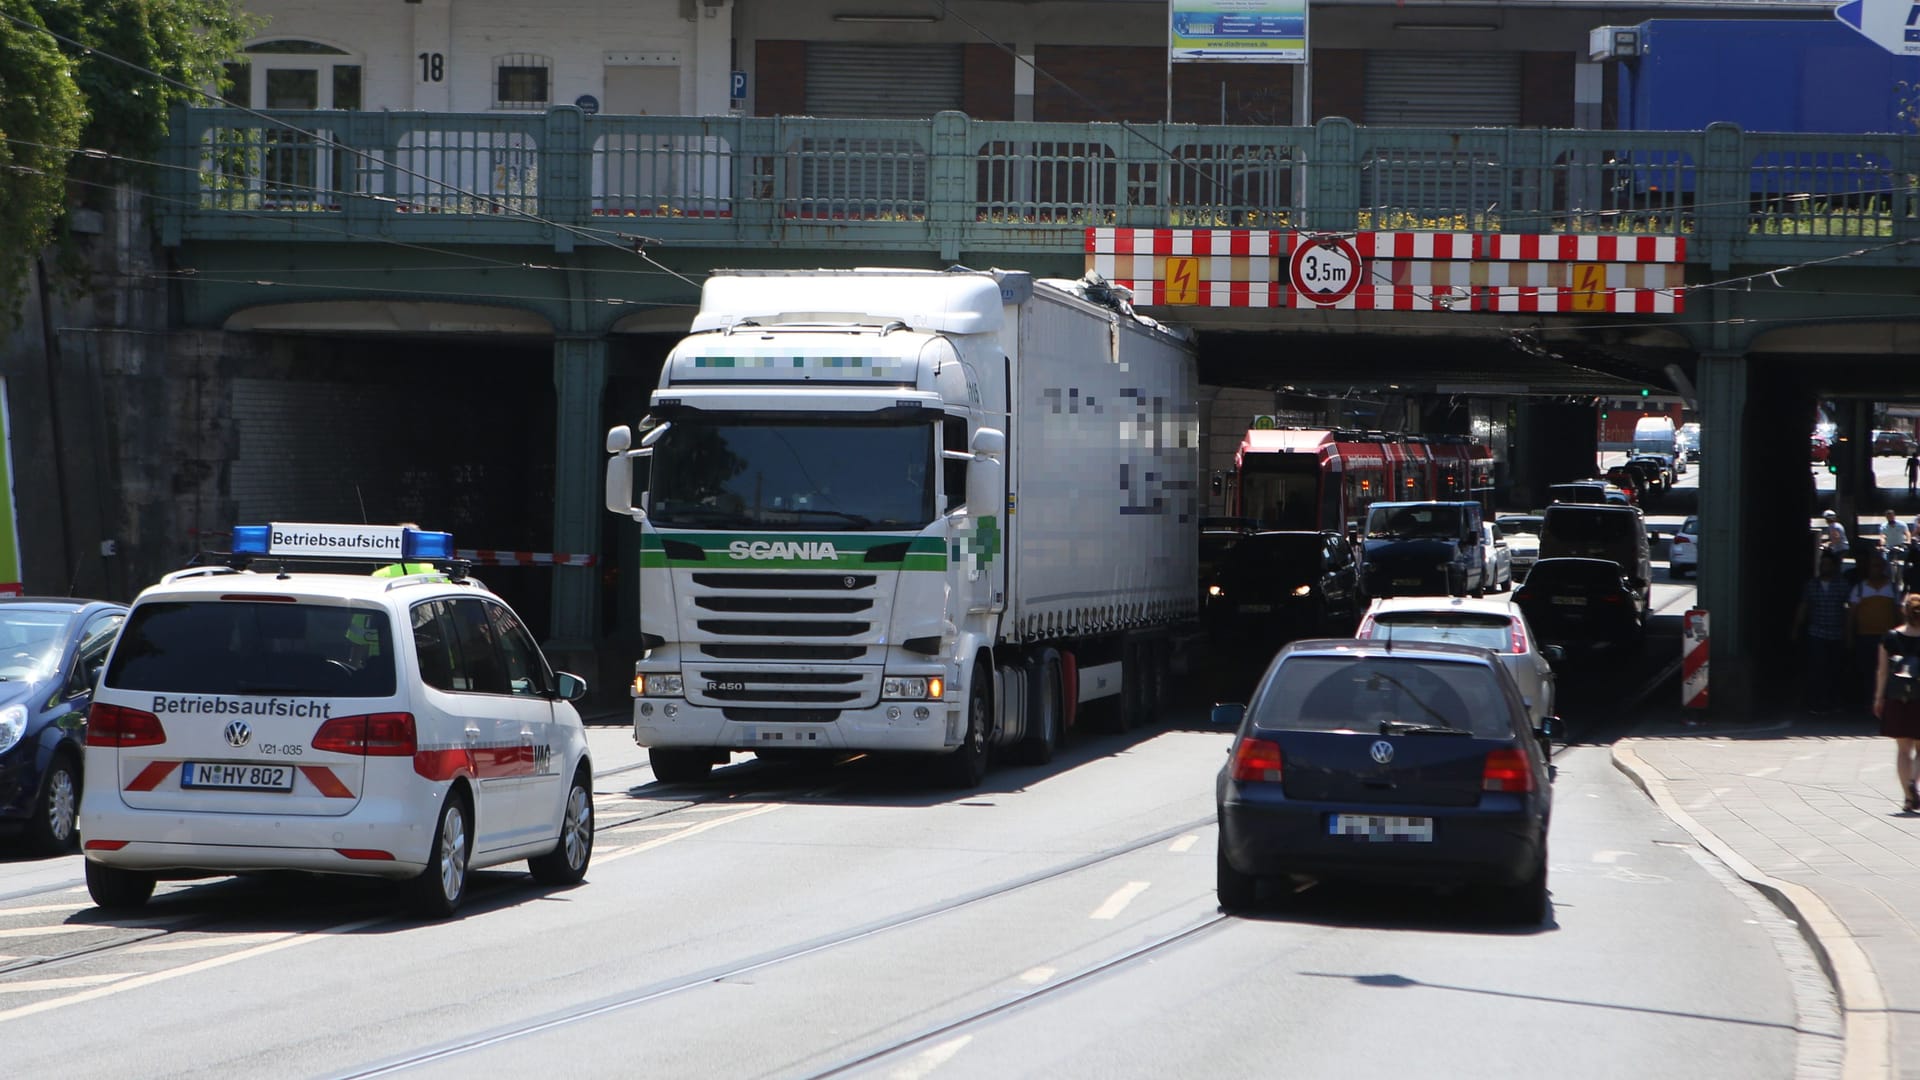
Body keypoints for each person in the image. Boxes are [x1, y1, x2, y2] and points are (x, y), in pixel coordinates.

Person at [1872, 593, 1920, 811]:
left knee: (1903, 750)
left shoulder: (1890, 637)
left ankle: (1908, 798)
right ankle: (1914, 781)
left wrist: (1879, 697)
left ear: (1904, 611)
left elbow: (1882, 672)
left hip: (1897, 697)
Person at [1795, 551, 1851, 713]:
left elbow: (1849, 610)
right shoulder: (1812, 585)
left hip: (1836, 633)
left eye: (1827, 564)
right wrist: (1796, 627)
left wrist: (1848, 633)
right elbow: (1804, 606)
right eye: (1822, 564)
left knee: (1835, 668)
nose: (1824, 567)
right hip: (1817, 632)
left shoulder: (1842, 585)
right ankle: (1816, 702)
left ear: (1834, 566)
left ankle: (1834, 701)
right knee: (1817, 668)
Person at [1849, 550, 1903, 707]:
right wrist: (1849, 637)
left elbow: (1899, 614)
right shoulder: (1859, 588)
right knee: (1866, 672)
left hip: (1887, 638)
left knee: (1887, 672)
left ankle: (1885, 704)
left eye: (1879, 566)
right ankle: (1867, 704)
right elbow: (1851, 616)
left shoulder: (1892, 589)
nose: (1876, 569)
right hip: (1865, 637)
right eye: (1873, 566)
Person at [1884, 509, 1913, 594]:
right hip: (1890, 547)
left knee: (1907, 563)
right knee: (1886, 562)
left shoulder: (1901, 524)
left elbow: (1907, 533)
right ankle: (1888, 581)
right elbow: (1883, 535)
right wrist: (1882, 542)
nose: (1890, 518)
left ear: (1894, 516)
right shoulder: (1884, 526)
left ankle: (1907, 579)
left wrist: (1908, 540)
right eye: (1888, 516)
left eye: (1891, 516)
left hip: (1901, 546)